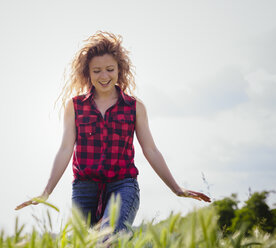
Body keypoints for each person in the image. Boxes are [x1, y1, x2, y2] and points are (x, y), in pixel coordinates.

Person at [15, 31, 211, 232]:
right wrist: (46, 192)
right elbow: (65, 149)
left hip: (123, 186)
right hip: (85, 188)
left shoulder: (135, 107)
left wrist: (177, 189)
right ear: (88, 73)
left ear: (119, 70)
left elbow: (151, 150)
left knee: (107, 239)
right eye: (97, 71)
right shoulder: (74, 106)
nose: (104, 76)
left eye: (110, 69)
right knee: (85, 245)